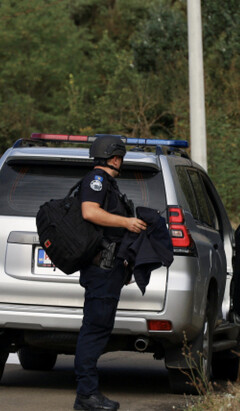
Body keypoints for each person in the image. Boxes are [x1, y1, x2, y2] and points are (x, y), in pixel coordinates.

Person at [73, 136, 147, 411]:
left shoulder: (106, 183)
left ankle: (87, 393)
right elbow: (90, 211)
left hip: (109, 269)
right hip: (101, 269)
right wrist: (127, 221)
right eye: (121, 158)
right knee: (94, 330)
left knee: (98, 328)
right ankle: (86, 395)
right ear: (115, 158)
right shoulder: (97, 181)